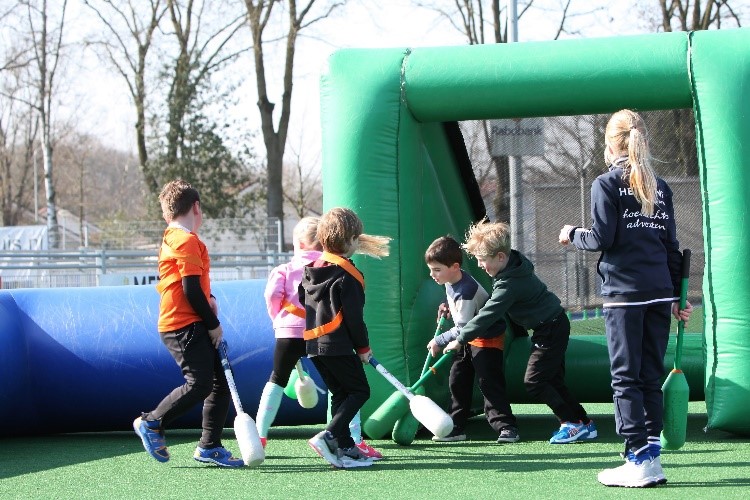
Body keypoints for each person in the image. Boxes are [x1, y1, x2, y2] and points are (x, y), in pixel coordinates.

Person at [559, 109, 692, 488]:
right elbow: (670, 246)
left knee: (625, 378)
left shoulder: (605, 184)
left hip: (624, 294)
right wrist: (676, 296)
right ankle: (651, 458)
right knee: (649, 375)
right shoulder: (659, 186)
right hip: (659, 292)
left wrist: (572, 233)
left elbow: (601, 238)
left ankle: (638, 457)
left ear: (610, 144)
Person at [444, 219, 596, 446]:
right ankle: (584, 422)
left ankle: (571, 423)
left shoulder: (509, 284)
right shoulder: (514, 264)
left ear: (500, 257)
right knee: (553, 380)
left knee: (535, 381)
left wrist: (460, 338)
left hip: (550, 328)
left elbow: (488, 314)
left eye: (482, 260)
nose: (480, 265)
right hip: (552, 325)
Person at [133, 179, 242, 467]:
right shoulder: (186, 240)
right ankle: (152, 422)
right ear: (196, 207)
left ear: (166, 213)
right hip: (183, 324)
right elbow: (190, 290)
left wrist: (210, 299)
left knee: (219, 383)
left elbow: (190, 284)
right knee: (200, 383)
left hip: (189, 319)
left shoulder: (175, 237)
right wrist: (213, 323)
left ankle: (209, 446)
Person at [257, 216, 381, 459]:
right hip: (331, 339)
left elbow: (276, 295)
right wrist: (362, 347)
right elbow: (353, 317)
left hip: (297, 335)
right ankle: (346, 438)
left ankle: (260, 435)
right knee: (353, 390)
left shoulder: (297, 270)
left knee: (279, 380)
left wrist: (278, 322)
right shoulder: (343, 271)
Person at [300, 207, 390, 469]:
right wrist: (363, 348)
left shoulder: (311, 269)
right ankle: (328, 436)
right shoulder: (349, 275)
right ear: (350, 240)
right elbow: (354, 318)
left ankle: (345, 446)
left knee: (340, 393)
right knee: (360, 391)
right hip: (337, 345)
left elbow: (302, 299)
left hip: (313, 346)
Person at [425, 236, 519, 444]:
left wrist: (439, 340)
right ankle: (455, 427)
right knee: (457, 380)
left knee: (488, 382)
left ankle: (506, 427)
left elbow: (463, 328)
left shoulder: (466, 291)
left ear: (454, 267)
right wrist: (446, 305)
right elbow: (454, 301)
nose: (432, 275)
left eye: (437, 270)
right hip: (466, 339)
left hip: (485, 338)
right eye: (431, 270)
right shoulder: (451, 280)